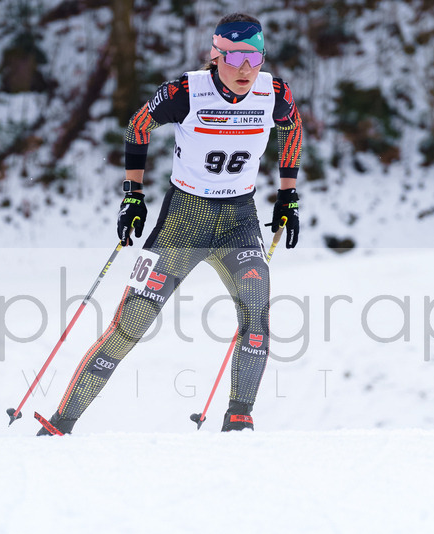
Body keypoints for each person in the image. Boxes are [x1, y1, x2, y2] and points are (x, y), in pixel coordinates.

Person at [35, 12, 302, 435]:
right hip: (183, 222)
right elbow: (138, 127)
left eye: (255, 57)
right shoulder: (186, 91)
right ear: (215, 57)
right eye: (234, 58)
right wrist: (133, 195)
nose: (246, 69)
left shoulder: (274, 93)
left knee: (257, 314)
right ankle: (59, 424)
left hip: (239, 221)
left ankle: (238, 423)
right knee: (130, 324)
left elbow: (293, 129)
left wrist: (288, 195)